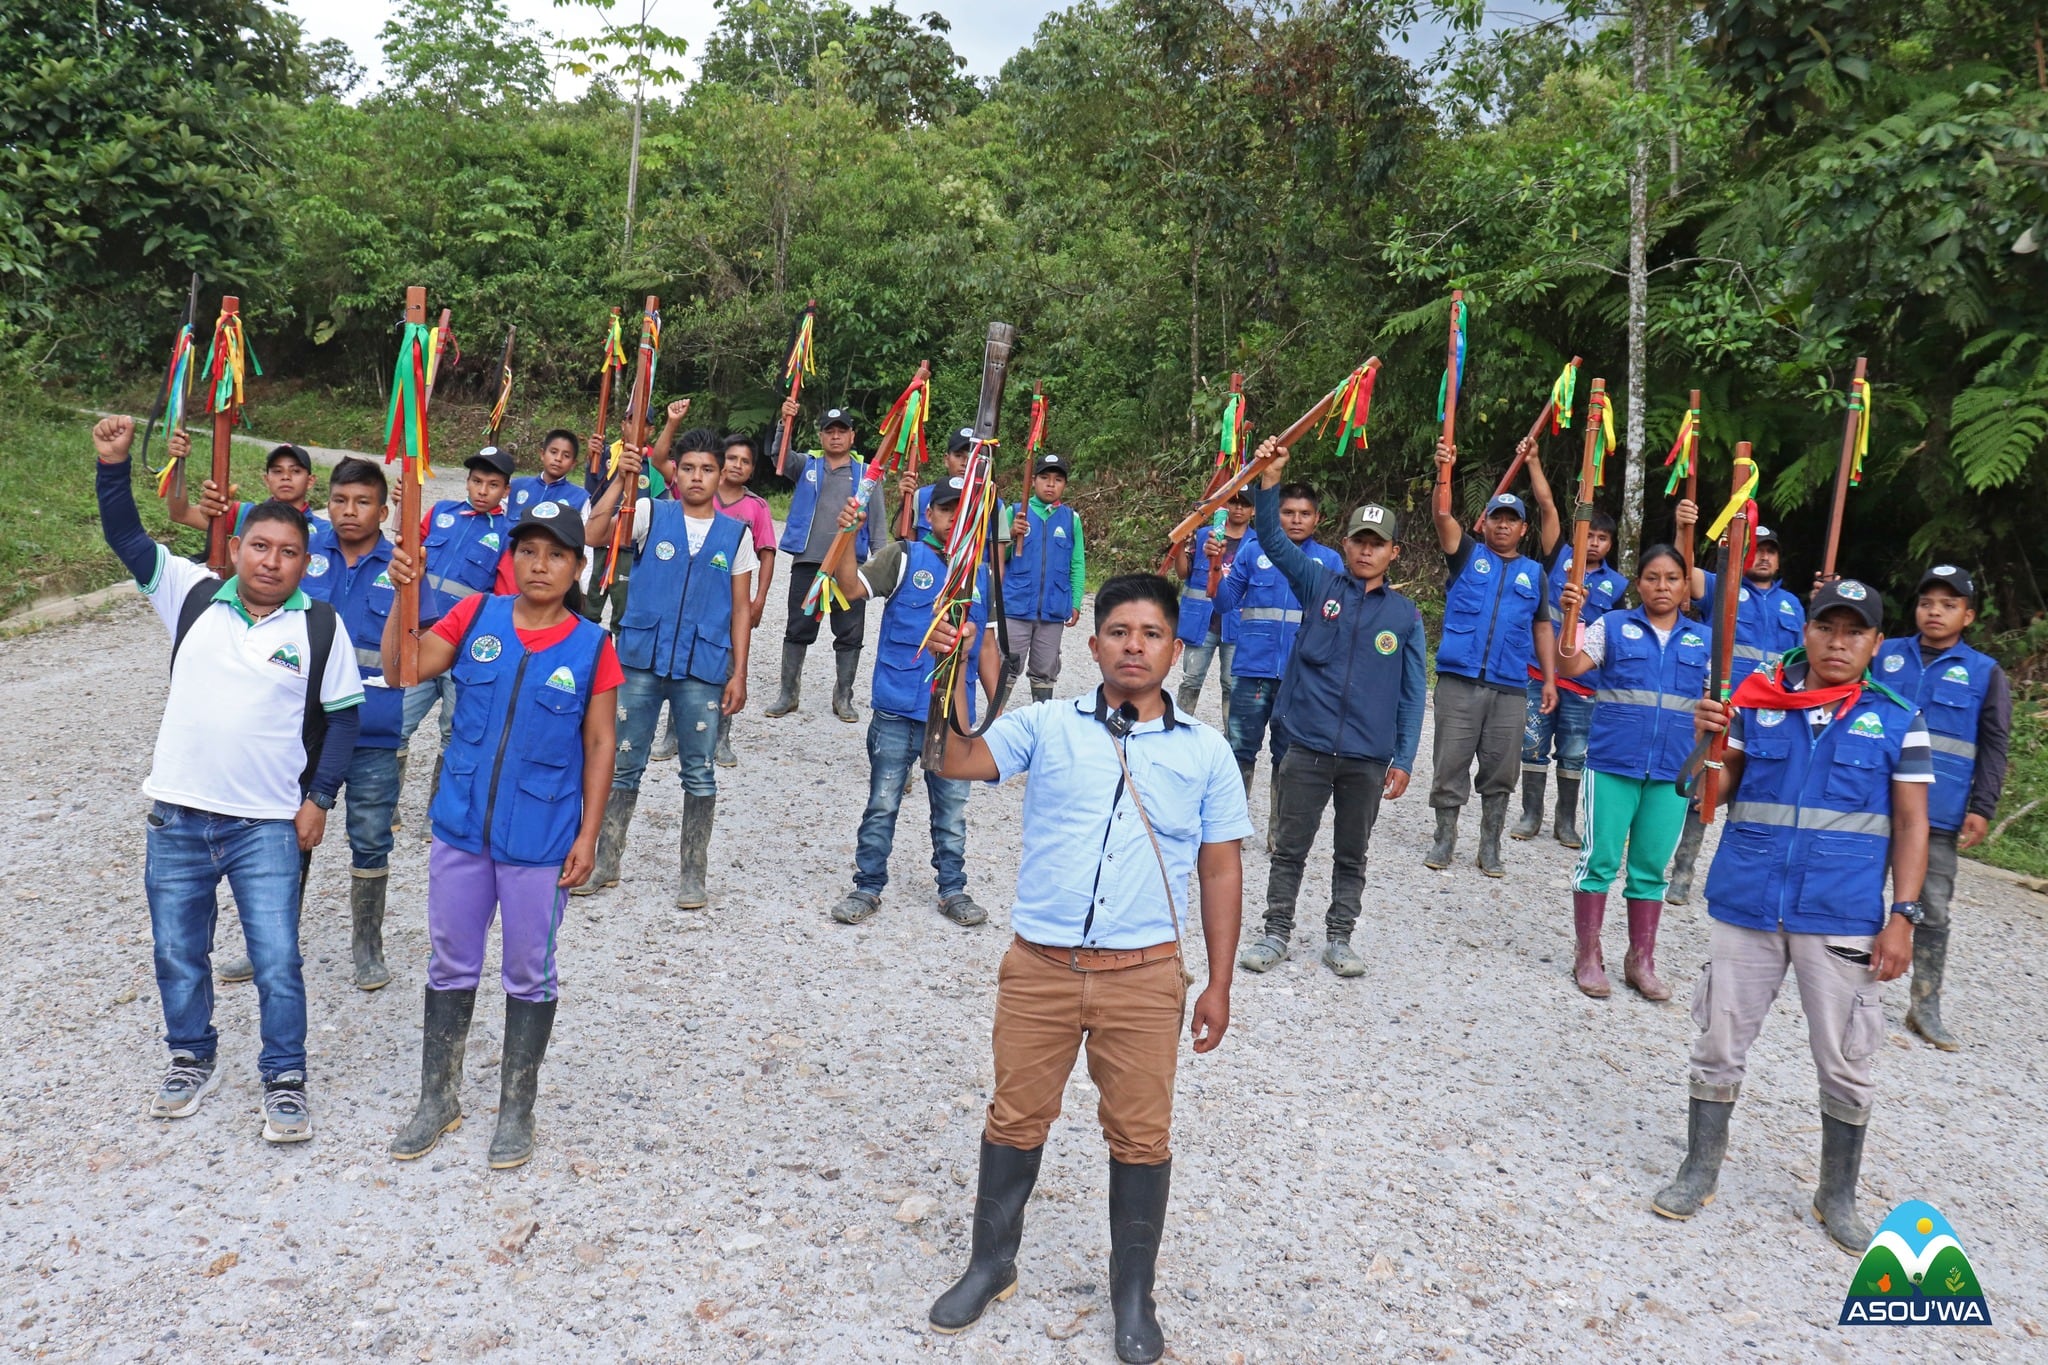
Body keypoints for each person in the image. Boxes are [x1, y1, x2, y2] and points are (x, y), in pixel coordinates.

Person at [927, 574, 1249, 1364]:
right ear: (1093, 641)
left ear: (1176, 649)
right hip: (1039, 966)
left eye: (1150, 633)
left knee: (1141, 1135)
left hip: (1144, 977)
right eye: (1118, 630)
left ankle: (1133, 1295)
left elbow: (1221, 870)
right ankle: (991, 1262)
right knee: (1014, 1116)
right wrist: (948, 670)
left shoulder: (1206, 751)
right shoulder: (1045, 724)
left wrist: (1219, 981)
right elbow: (954, 757)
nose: (1133, 644)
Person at [92, 414, 363, 1144]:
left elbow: (343, 719)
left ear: (308, 562)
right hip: (177, 815)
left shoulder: (321, 626)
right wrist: (114, 467)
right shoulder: (189, 594)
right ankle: (190, 1055)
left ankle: (284, 1076)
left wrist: (319, 800)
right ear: (237, 547)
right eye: (260, 547)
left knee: (277, 957)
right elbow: (127, 537)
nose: (273, 561)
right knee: (178, 949)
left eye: (290, 553)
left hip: (266, 825)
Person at [1650, 580, 1929, 1254]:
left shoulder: (1898, 718)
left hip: (1840, 912)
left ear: (1876, 644)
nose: (1838, 642)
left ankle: (1836, 1193)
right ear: (1805, 631)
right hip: (1749, 897)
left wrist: (1905, 915)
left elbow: (1913, 824)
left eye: (1854, 631)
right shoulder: (1761, 700)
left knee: (1846, 1058)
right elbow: (1711, 791)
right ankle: (1700, 1167)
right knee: (1718, 1040)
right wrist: (1706, 739)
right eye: (1826, 627)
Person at [381, 502, 620, 1169]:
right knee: (450, 961)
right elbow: (406, 668)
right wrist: (407, 594)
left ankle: (517, 1106)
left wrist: (589, 833)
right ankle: (439, 1096)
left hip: (541, 836)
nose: (539, 565)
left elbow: (602, 742)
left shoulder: (592, 644)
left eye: (555, 554)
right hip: (461, 825)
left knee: (527, 970)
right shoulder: (476, 615)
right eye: (528, 551)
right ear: (512, 558)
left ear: (577, 566)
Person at [1232, 438, 1425, 978]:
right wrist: (1271, 480)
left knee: (1351, 854)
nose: (1366, 551)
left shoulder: (1406, 617)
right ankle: (1275, 933)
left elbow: (1413, 695)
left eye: (1377, 544)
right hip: (1308, 745)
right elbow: (1271, 537)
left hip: (1366, 756)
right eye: (1359, 541)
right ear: (1344, 544)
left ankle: (1340, 938)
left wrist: (1404, 757)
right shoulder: (1318, 583)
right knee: (1289, 848)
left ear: (1393, 553)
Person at [576, 434, 754, 907]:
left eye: (708, 469)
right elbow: (593, 536)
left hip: (703, 667)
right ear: (675, 472)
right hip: (640, 660)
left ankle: (693, 875)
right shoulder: (651, 514)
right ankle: (606, 862)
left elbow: (741, 609)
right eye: (689, 468)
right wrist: (621, 479)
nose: (697, 477)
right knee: (622, 766)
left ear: (721, 476)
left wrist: (739, 673)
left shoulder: (737, 534)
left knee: (699, 772)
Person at [823, 477, 992, 928]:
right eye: (946, 508)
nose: (955, 517)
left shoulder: (981, 572)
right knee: (882, 801)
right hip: (898, 709)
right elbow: (850, 588)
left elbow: (989, 647)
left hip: (954, 719)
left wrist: (994, 712)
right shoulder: (903, 557)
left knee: (952, 809)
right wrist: (846, 537)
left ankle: (953, 889)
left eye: (965, 510)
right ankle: (868, 885)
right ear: (929, 515)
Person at [1554, 546, 1708, 1000]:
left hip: (1672, 773)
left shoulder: (1703, 640)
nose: (1662, 587)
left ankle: (1641, 959)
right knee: (1599, 860)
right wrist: (1570, 618)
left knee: (1650, 869)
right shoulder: (1613, 626)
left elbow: (1714, 710)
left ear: (1685, 587)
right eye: (1653, 578)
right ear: (1637, 584)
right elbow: (1570, 665)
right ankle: (1588, 954)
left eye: (1672, 579)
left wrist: (1703, 770)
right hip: (1613, 764)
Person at [1874, 564, 2010, 1050]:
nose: (1935, 611)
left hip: (1939, 813)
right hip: (1870, 799)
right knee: (1855, 892)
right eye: (1928, 602)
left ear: (1968, 616)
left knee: (1931, 908)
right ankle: (1844, 980)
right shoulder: (1884, 653)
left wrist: (1983, 805)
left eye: (1949, 605)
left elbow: (1995, 745)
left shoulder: (1985, 673)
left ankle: (1924, 1005)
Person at [297, 458, 406, 991]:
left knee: (369, 837)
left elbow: (415, 650)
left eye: (362, 502)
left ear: (384, 511)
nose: (349, 511)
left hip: (373, 730)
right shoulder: (303, 557)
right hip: (299, 730)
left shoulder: (402, 566)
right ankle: (272, 941)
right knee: (286, 835)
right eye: (340, 500)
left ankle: (368, 946)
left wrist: (412, 587)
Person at [1427, 437, 1557, 876]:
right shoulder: (1466, 556)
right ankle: (1444, 839)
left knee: (1501, 769)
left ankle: (1490, 846)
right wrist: (1443, 472)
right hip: (1458, 681)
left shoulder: (1534, 573)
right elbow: (1442, 515)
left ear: (1524, 529)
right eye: (1496, 519)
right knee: (1450, 762)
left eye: (1512, 521)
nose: (1503, 526)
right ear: (1484, 524)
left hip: (1509, 687)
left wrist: (1552, 680)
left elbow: (1542, 627)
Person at [1663, 506, 1805, 904]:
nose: (1764, 557)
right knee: (1708, 786)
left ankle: (1748, 879)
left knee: (1759, 797)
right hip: (1722, 708)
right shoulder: (1721, 585)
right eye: (1757, 549)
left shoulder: (1794, 606)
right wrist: (1683, 529)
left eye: (1771, 551)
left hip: (1771, 717)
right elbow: (1683, 571)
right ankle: (1683, 873)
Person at [1213, 482, 1343, 834]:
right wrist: (1213, 568)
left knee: (1289, 756)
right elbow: (1225, 603)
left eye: (1304, 514)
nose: (1296, 520)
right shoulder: (1252, 552)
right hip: (1252, 670)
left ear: (1318, 519)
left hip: (1301, 677)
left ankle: (1278, 832)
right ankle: (1230, 828)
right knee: (1240, 751)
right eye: (1287, 513)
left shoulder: (1329, 562)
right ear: (1274, 515)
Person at [394, 445, 514, 817]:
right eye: (476, 481)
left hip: (464, 653)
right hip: (421, 640)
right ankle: (386, 806)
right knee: (397, 723)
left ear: (505, 491)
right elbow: (406, 551)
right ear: (466, 481)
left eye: (492, 485)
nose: (482, 490)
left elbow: (505, 597)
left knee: (456, 733)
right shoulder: (440, 513)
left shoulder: (510, 535)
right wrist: (402, 508)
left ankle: (441, 810)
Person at [1516, 494, 1624, 850]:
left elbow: (1614, 637)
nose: (1594, 543)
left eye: (1602, 538)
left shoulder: (1618, 587)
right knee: (1532, 743)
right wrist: (1532, 462)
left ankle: (1565, 822)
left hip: (1583, 683)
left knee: (1574, 752)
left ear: (1610, 544)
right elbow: (1548, 507)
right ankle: (1531, 815)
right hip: (1539, 671)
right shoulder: (1557, 558)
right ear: (1577, 534)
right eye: (1588, 534)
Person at [767, 404, 869, 722]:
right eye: (829, 431)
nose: (836, 436)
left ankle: (843, 697)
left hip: (849, 564)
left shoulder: (866, 474)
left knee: (850, 631)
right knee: (798, 626)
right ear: (821, 436)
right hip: (809, 559)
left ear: (852, 436)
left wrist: (878, 551)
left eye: (842, 431)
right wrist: (786, 421)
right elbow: (779, 458)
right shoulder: (807, 465)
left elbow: (875, 513)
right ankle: (788, 694)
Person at [1002, 452, 1086, 705]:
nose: (1051, 484)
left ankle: (1041, 720)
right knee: (1007, 664)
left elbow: (1077, 563)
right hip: (1016, 605)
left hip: (1053, 609)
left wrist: (1076, 601)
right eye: (1045, 478)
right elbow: (996, 557)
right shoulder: (1016, 512)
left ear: (1065, 485)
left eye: (1058, 479)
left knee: (1045, 669)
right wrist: (1010, 535)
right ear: (1033, 482)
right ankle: (994, 721)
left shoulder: (1071, 519)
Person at [1171, 490, 1251, 719]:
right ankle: (1180, 728)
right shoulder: (1204, 535)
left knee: (1231, 683)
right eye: (1234, 503)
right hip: (1202, 623)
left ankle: (1232, 741)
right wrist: (1178, 547)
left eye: (1245, 505)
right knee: (1191, 679)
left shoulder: (1258, 543)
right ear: (1224, 506)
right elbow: (1183, 573)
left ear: (1253, 510)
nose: (1238, 509)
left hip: (1236, 625)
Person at [168, 435, 324, 535]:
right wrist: (178, 462)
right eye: (277, 471)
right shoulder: (244, 516)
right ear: (266, 480)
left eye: (295, 471)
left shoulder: (327, 532)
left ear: (310, 481)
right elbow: (181, 514)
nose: (285, 477)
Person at [509, 428, 592, 517]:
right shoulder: (515, 486)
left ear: (573, 464)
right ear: (542, 454)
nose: (558, 459)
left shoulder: (580, 498)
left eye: (566, 456)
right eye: (553, 452)